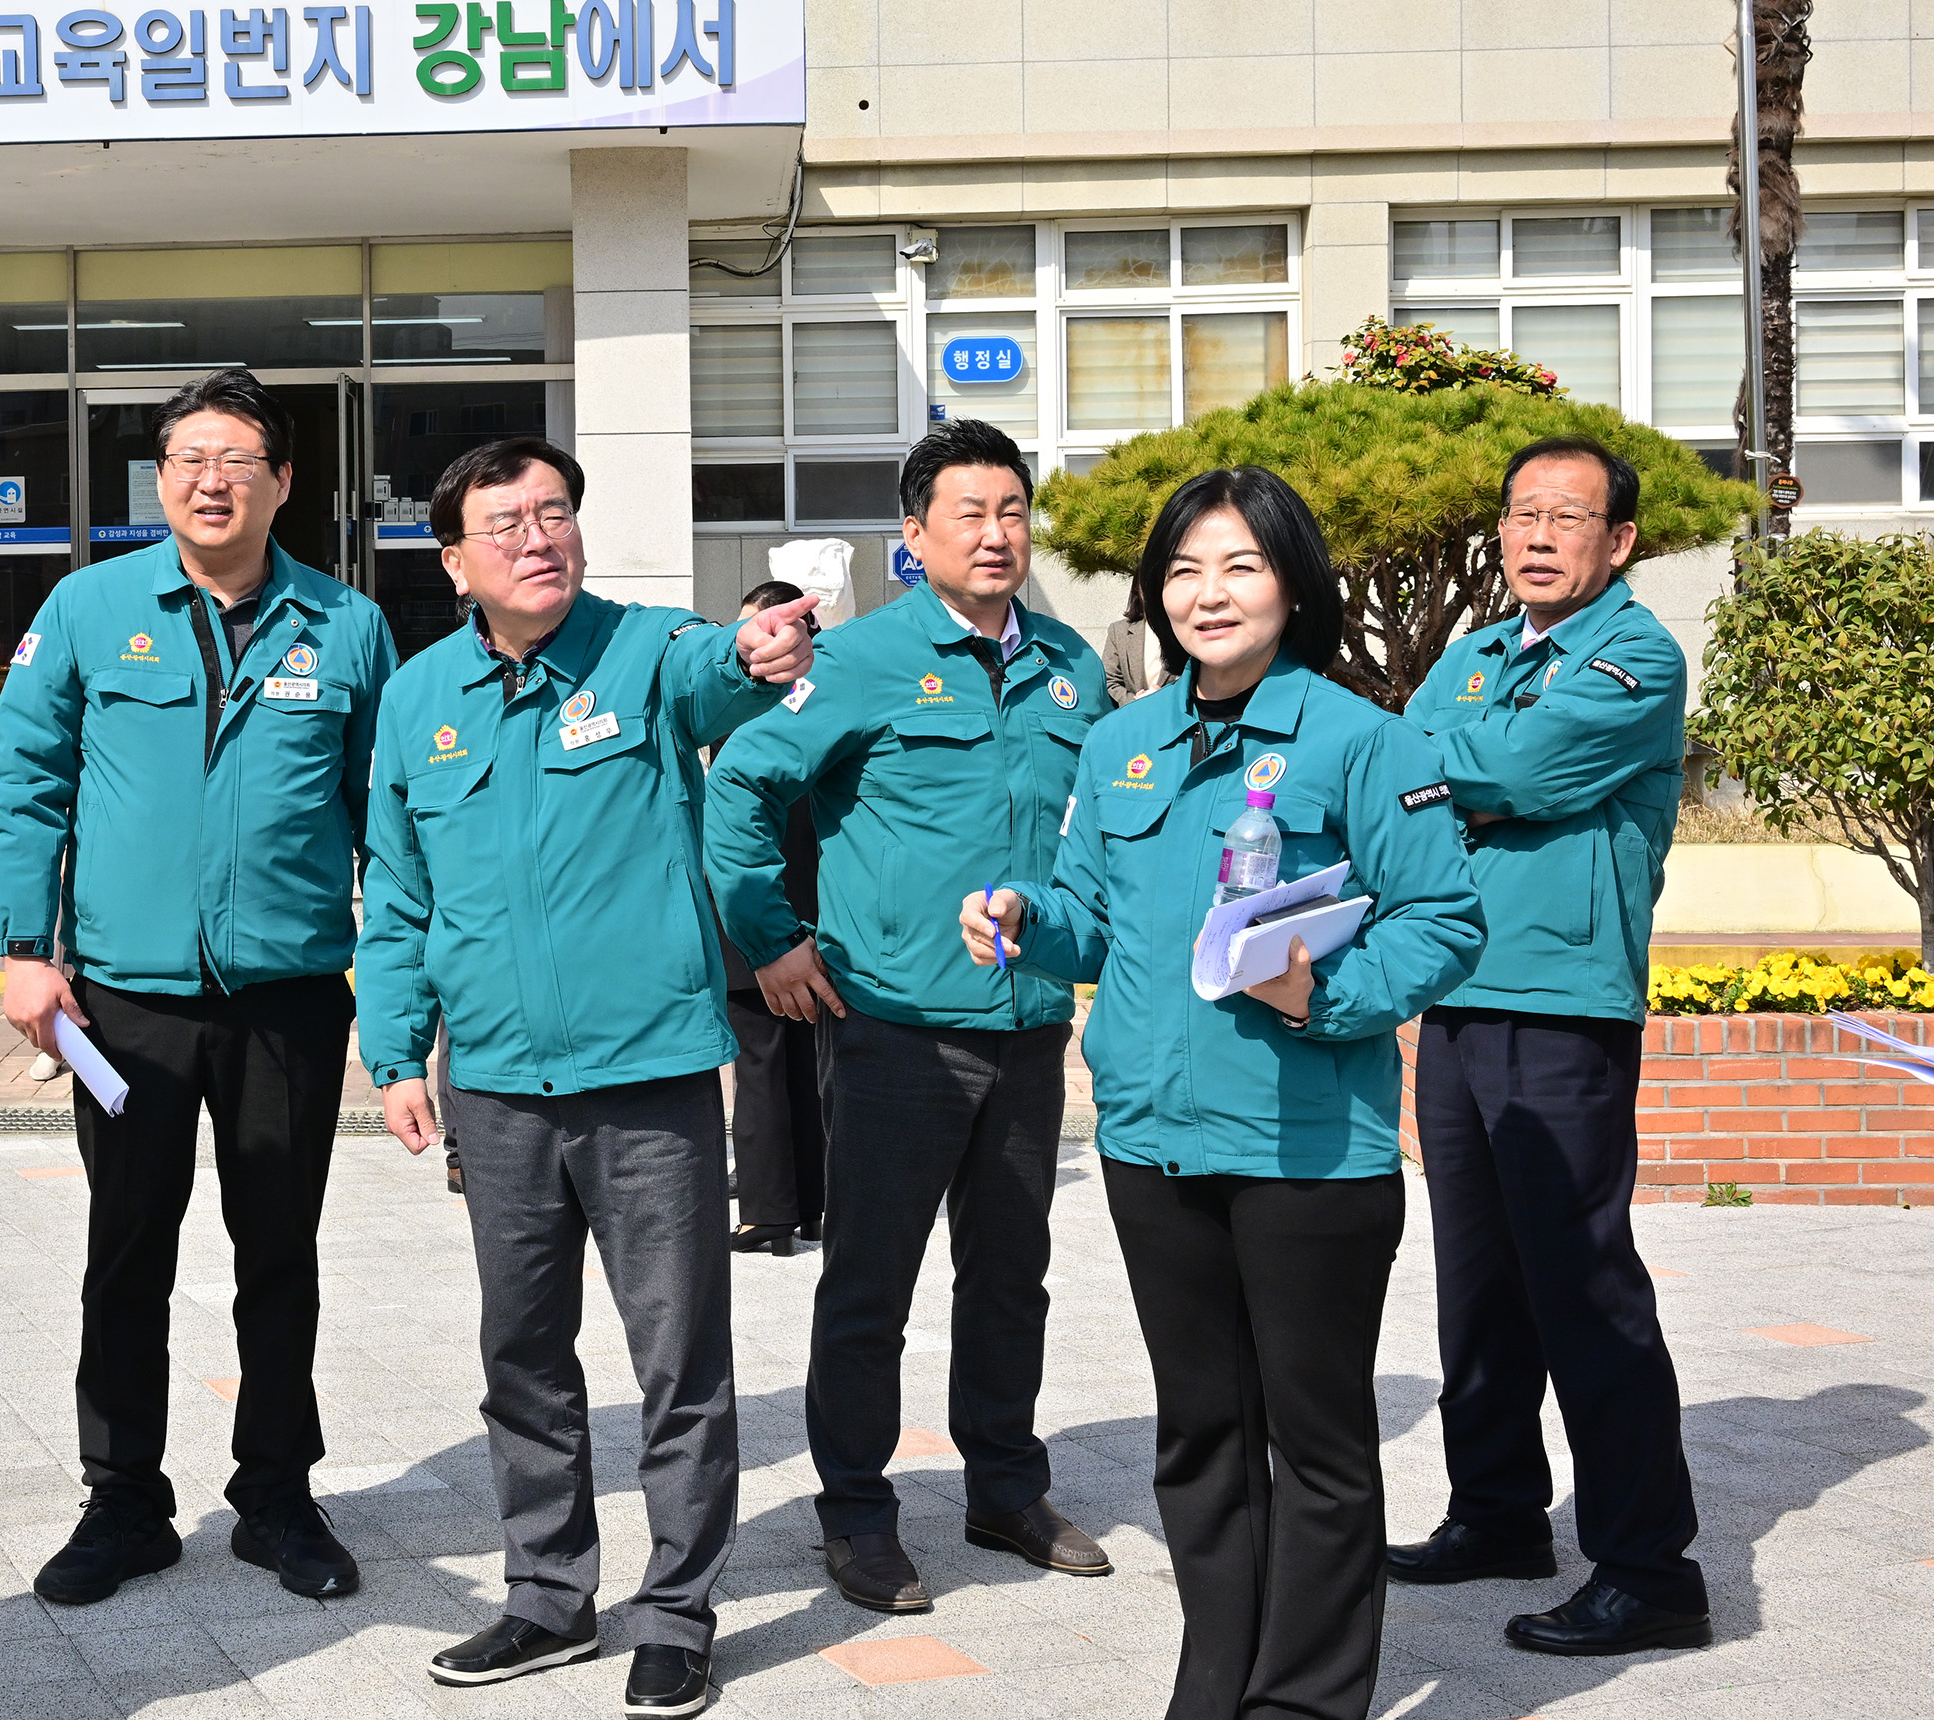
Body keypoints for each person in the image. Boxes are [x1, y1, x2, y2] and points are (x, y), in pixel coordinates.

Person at [963, 466, 1483, 1720]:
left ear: (1294, 584)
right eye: (1186, 570)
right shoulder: (1121, 741)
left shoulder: (1365, 739)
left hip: (1309, 1146)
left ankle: (1302, 1701)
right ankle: (1216, 1680)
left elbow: (1445, 918)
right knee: (1198, 1434)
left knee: (1315, 1442)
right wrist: (1028, 919)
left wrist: (1333, 995)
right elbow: (1090, 917)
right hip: (1153, 1141)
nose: (1210, 593)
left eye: (1240, 566)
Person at [358, 437, 815, 1719]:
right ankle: (548, 1597)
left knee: (679, 1357)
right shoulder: (419, 698)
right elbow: (395, 890)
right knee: (523, 1350)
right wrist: (396, 1052)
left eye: (554, 513)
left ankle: (678, 1609)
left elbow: (726, 669)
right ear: (454, 560)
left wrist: (763, 643)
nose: (538, 538)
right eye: (504, 523)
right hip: (495, 1083)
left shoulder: (646, 652)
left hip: (650, 1074)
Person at [0, 368, 399, 1608]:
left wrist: (406, 981)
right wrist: (23, 946)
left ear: (282, 481)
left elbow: (390, 815)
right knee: (126, 1250)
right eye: (185, 458)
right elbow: (27, 782)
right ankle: (123, 1499)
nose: (210, 479)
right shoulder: (87, 608)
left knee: (279, 1247)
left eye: (237, 459)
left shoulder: (348, 624)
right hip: (129, 999)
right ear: (158, 480)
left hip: (288, 996)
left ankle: (276, 1491)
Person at [706, 421, 1115, 1615]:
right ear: (913, 534)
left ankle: (1005, 1485)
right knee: (872, 1279)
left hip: (1030, 1024)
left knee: (1011, 1273)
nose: (996, 534)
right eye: (968, 512)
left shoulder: (1070, 667)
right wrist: (774, 941)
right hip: (893, 1024)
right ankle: (857, 1508)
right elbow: (740, 787)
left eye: (1013, 510)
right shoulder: (863, 661)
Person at [1394, 436, 1713, 1657]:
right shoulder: (1473, 653)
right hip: (1460, 989)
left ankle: (1650, 1567)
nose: (1534, 535)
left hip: (1565, 1002)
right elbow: (1407, 766)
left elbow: (1522, 768)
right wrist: (1435, 777)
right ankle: (1497, 1510)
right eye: (1521, 512)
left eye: (1564, 516)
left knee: (1582, 1280)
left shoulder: (1634, 652)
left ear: (1617, 540)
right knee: (1478, 1278)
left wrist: (1437, 776)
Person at [712, 577, 827, 1258]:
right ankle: (816, 1203)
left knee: (760, 1068)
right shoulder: (833, 707)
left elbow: (725, 829)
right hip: (816, 915)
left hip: (755, 921)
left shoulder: (742, 716)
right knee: (812, 1068)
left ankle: (767, 1210)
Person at [1100, 577, 1158, 708]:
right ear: (1137, 588)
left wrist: (1162, 699)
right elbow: (1109, 680)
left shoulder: (1186, 629)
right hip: (1132, 717)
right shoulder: (1119, 631)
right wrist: (1136, 703)